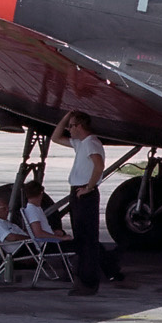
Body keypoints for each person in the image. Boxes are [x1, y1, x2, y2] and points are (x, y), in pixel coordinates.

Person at [52, 110, 122, 295]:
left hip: (85, 192)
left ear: (80, 126)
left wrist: (89, 188)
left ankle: (88, 282)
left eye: (72, 126)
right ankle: (84, 279)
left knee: (87, 240)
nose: (69, 129)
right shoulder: (80, 143)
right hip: (78, 190)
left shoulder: (91, 143)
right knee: (81, 238)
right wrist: (67, 116)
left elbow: (99, 166)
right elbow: (56, 137)